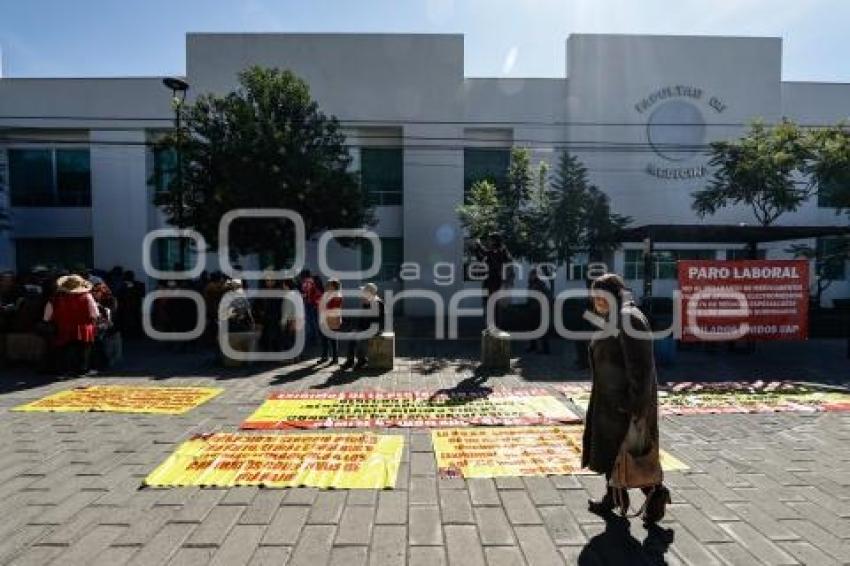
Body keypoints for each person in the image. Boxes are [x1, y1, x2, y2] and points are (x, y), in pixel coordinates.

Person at [582, 273, 670, 524]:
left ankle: (656, 494)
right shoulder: (615, 316)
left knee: (630, 454)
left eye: (601, 296)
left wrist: (633, 405)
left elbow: (640, 368)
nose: (597, 301)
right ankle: (613, 498)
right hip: (610, 400)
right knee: (613, 453)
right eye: (594, 297)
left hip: (624, 404)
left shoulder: (628, 318)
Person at [44, 274, 98, 376]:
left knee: (63, 350)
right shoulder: (87, 296)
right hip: (83, 328)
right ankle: (82, 370)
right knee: (83, 350)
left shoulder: (55, 299)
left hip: (63, 328)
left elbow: (47, 317)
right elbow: (94, 313)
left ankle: (64, 370)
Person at [470, 232, 513, 328]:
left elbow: (486, 253)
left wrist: (479, 245)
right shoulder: (493, 252)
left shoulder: (500, 251)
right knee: (489, 305)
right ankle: (491, 327)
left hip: (495, 283)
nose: (488, 242)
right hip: (490, 282)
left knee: (494, 306)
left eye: (490, 240)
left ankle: (495, 328)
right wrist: (476, 249)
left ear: (495, 241)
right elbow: (482, 259)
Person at [341, 282, 384, 370]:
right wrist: (357, 328)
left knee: (361, 337)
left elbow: (375, 321)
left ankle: (362, 360)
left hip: (375, 328)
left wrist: (362, 330)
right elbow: (362, 319)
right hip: (366, 327)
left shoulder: (377, 303)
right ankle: (350, 360)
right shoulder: (366, 302)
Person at [254, 273, 284, 353]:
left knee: (276, 338)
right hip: (264, 320)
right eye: (268, 280)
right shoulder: (261, 292)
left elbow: (281, 306)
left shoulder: (279, 292)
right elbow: (256, 305)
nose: (270, 282)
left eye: (272, 280)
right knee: (265, 338)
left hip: (275, 319)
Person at [525, 268, 552, 354]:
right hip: (532, 309)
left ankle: (545, 349)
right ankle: (533, 346)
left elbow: (547, 297)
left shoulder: (541, 284)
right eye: (530, 275)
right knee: (532, 329)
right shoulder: (531, 284)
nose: (530, 276)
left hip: (540, 310)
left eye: (532, 275)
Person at [318, 278, 342, 364]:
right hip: (325, 318)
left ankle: (335, 358)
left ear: (334, 286)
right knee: (324, 339)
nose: (327, 286)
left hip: (332, 319)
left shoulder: (337, 295)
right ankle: (325, 356)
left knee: (333, 339)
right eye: (328, 285)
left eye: (329, 285)